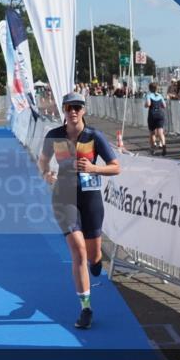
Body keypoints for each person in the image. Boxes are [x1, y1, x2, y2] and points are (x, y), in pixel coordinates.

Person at [38, 92, 120, 330]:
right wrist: (46, 174)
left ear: (83, 110)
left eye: (77, 107)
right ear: (63, 110)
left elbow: (116, 167)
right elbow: (42, 160)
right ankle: (86, 308)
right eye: (68, 107)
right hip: (63, 197)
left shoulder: (95, 136)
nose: (72, 111)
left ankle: (96, 263)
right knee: (79, 251)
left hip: (90, 198)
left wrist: (94, 167)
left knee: (94, 257)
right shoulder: (54, 135)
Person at [144, 82, 167, 156]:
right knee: (160, 132)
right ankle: (163, 145)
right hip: (160, 114)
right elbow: (164, 105)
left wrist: (145, 105)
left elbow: (148, 104)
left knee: (152, 133)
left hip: (152, 115)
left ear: (150, 89)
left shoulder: (149, 95)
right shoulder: (160, 95)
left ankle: (153, 148)